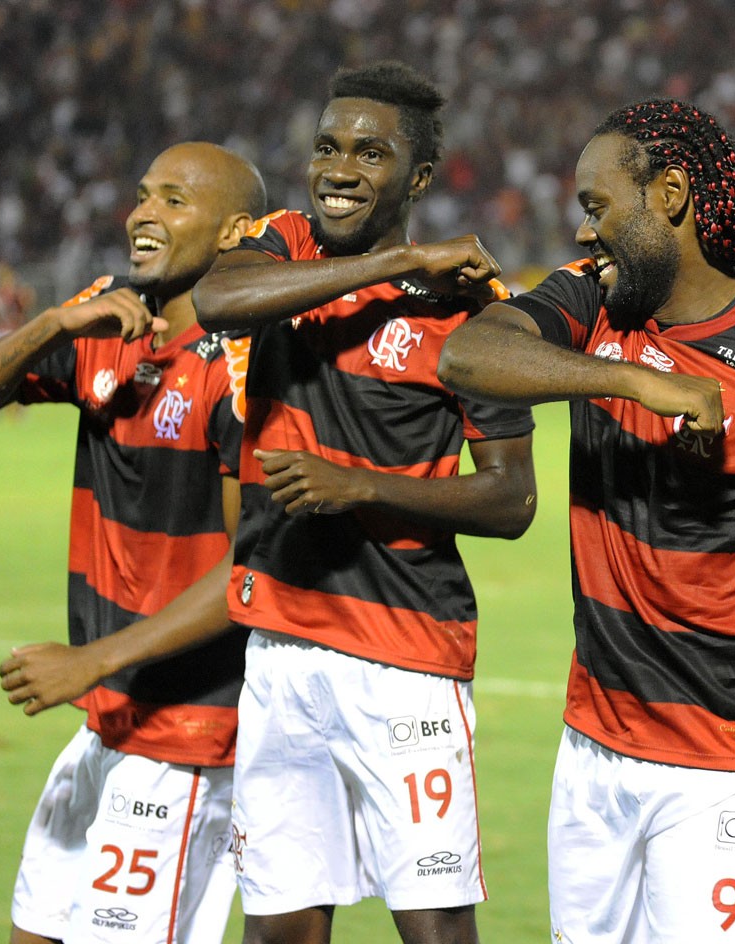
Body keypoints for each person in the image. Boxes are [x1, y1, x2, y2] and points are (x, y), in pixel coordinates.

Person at [438, 98, 735, 944]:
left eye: (597, 207)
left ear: (670, 194)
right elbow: (469, 354)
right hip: (593, 755)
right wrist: (637, 382)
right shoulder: (594, 307)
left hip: (733, 774)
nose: (584, 233)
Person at [191, 61, 536, 944]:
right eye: (327, 147)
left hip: (403, 655)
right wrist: (391, 263)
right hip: (278, 647)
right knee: (280, 928)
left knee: (431, 930)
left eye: (370, 153)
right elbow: (217, 301)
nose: (339, 169)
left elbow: (511, 499)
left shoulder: (470, 310)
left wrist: (363, 489)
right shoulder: (276, 245)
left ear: (418, 178)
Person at [0, 142, 267, 944]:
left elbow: (250, 573)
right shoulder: (108, 322)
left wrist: (91, 658)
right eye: (144, 195)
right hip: (108, 723)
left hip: (188, 735)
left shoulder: (242, 368)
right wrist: (51, 321)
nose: (144, 214)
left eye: (175, 201)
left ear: (234, 232)